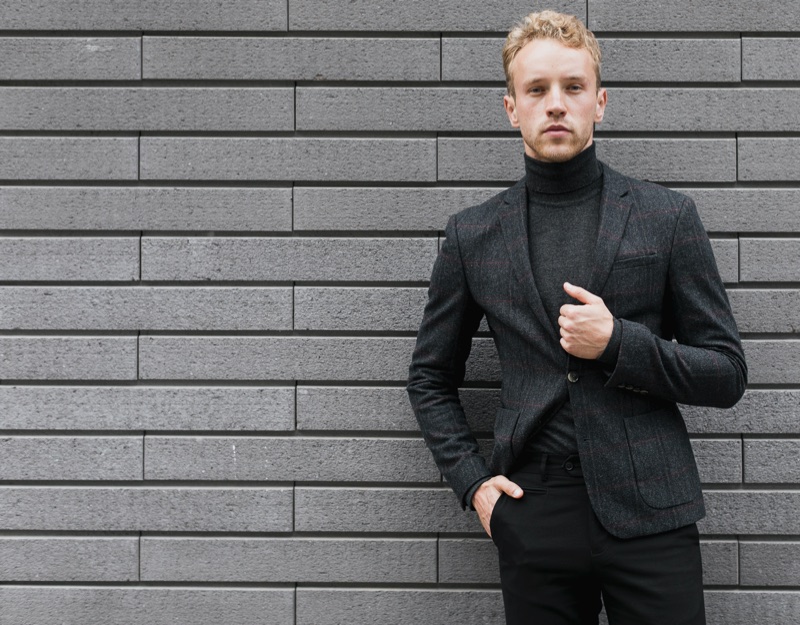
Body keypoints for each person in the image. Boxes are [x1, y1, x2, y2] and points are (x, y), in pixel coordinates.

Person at [406, 10, 747, 625]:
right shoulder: (473, 235)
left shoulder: (667, 216)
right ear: (512, 108)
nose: (556, 104)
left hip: (654, 512)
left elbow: (726, 373)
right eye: (536, 89)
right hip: (534, 510)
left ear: (600, 102)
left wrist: (618, 344)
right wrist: (474, 485)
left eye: (573, 87)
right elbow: (430, 377)